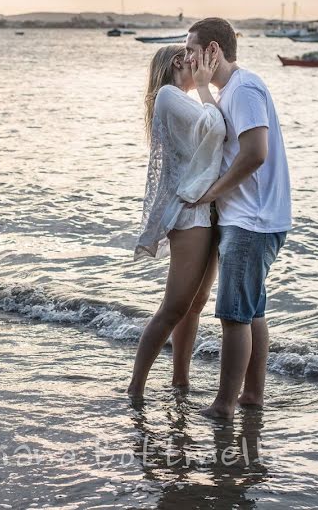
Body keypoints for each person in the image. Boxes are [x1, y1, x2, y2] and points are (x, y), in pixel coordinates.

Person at [184, 17, 292, 419]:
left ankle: (224, 405)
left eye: (192, 50)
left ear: (212, 51)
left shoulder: (244, 88)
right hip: (254, 217)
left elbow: (255, 153)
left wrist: (210, 194)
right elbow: (222, 131)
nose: (187, 58)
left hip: (251, 220)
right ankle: (251, 396)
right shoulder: (230, 90)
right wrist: (200, 88)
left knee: (233, 316)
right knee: (251, 312)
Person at [127, 44, 226, 398]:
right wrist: (204, 86)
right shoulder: (169, 95)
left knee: (194, 304)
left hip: (207, 210)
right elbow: (216, 127)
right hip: (191, 213)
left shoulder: (176, 100)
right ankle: (135, 387)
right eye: (193, 57)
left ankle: (180, 380)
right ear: (177, 62)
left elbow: (207, 137)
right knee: (174, 306)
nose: (199, 61)